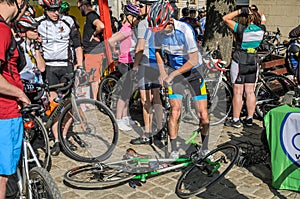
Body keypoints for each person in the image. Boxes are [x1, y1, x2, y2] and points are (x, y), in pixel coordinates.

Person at [148, 0, 210, 159]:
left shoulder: (185, 30)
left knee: (203, 115)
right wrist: (162, 73)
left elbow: (194, 60)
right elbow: (158, 53)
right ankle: (174, 150)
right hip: (174, 74)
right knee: (175, 111)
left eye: (161, 28)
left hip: (194, 72)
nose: (159, 32)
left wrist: (172, 75)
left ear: (169, 20)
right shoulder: (158, 33)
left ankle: (205, 149)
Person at [37, 0, 83, 156]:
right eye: (52, 10)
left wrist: (81, 65)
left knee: (70, 104)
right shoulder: (39, 24)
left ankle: (64, 136)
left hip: (66, 65)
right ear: (45, 9)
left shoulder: (68, 21)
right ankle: (57, 140)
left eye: (58, 10)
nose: (56, 13)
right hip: (49, 67)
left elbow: (77, 44)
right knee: (54, 105)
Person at [0, 0, 31, 198]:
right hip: (6, 112)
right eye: (26, 5)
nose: (26, 10)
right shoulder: (2, 30)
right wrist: (20, 93)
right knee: (2, 176)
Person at [223, 7, 266, 128]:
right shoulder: (261, 30)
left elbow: (225, 18)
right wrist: (257, 11)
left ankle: (236, 120)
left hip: (240, 61)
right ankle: (249, 119)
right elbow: (263, 19)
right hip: (253, 62)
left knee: (238, 92)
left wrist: (240, 11)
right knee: (250, 92)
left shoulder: (241, 29)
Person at [130, 0, 164, 145]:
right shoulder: (160, 21)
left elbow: (139, 48)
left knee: (145, 100)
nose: (139, 8)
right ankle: (160, 129)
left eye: (141, 6)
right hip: (158, 64)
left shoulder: (144, 23)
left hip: (146, 63)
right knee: (156, 98)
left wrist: (135, 65)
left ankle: (147, 133)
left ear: (149, 7)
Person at [108, 4, 140, 131]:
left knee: (129, 91)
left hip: (132, 62)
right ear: (130, 17)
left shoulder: (132, 28)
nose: (138, 20)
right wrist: (116, 51)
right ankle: (118, 118)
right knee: (124, 92)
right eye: (136, 17)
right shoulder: (126, 29)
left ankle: (126, 116)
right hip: (125, 63)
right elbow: (111, 40)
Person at [78, 0, 105, 100]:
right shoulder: (92, 16)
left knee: (94, 78)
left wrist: (94, 34)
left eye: (79, 8)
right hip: (92, 51)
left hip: (93, 52)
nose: (80, 10)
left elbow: (101, 26)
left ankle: (95, 101)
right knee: (93, 77)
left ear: (83, 6)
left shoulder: (91, 15)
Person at [17, 15, 45, 85]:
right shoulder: (18, 45)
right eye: (32, 29)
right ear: (23, 32)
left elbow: (42, 68)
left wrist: (37, 48)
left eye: (36, 28)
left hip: (36, 83)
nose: (36, 31)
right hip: (22, 82)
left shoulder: (34, 45)